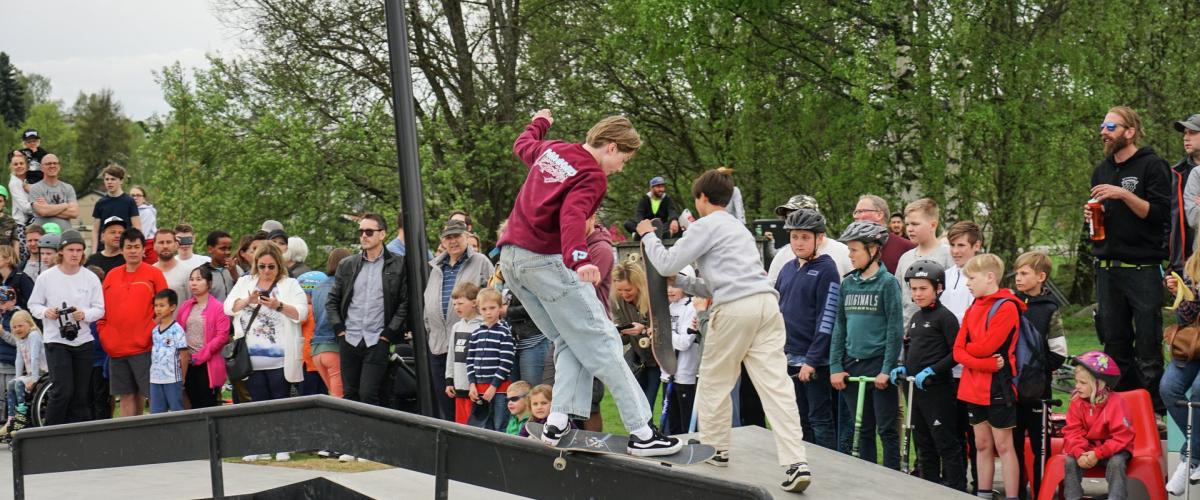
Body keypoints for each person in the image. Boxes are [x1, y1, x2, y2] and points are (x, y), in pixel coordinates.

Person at [497, 110, 679, 456]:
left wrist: (540, 121)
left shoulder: (553, 150)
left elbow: (523, 145)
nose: (621, 168)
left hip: (512, 260)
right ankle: (643, 431)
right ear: (611, 147)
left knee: (569, 338)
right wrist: (580, 258)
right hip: (545, 261)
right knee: (604, 338)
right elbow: (573, 215)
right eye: (623, 159)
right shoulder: (592, 174)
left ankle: (557, 421)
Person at [637, 168, 811, 491]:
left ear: (702, 198)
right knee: (776, 387)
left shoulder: (705, 225)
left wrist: (648, 234)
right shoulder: (739, 229)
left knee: (714, 383)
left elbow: (664, 263)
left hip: (733, 310)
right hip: (766, 307)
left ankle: (716, 450)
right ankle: (796, 462)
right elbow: (719, 283)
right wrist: (686, 283)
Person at [1085, 106, 1170, 415]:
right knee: (1115, 345)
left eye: (1110, 126)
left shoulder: (1152, 165)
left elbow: (1160, 215)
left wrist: (1123, 195)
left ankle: (1153, 414)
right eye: (1102, 125)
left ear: (1129, 132)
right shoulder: (1101, 170)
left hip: (1142, 269)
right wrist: (1093, 219)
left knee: (1148, 347)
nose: (1103, 132)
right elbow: (1102, 222)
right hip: (1107, 269)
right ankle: (1120, 413)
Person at [828, 220, 903, 469]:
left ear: (872, 250)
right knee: (863, 429)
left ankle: (892, 480)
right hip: (852, 364)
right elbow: (839, 326)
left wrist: (886, 368)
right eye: (848, 250)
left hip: (878, 365)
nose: (850, 256)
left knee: (887, 429)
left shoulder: (888, 283)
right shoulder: (848, 283)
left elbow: (895, 329)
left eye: (854, 250)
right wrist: (835, 366)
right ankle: (868, 480)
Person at [888, 260, 965, 491]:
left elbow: (956, 354)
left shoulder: (945, 317)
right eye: (913, 288)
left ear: (938, 288)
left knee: (945, 442)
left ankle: (956, 489)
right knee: (923, 444)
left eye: (923, 288)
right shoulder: (916, 319)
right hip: (916, 391)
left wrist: (933, 370)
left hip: (938, 390)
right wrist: (903, 366)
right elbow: (912, 350)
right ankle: (930, 488)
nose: (917, 293)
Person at [954, 254, 1023, 500]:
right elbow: (958, 350)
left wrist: (971, 352)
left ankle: (1012, 496)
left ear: (990, 277)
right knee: (981, 445)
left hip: (998, 388)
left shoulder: (1007, 306)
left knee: (1004, 446)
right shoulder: (973, 306)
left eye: (972, 278)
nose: (968, 283)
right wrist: (984, 362)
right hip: (973, 386)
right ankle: (983, 493)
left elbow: (983, 346)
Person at [326, 213, 408, 406]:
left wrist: (388, 334)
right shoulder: (347, 264)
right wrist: (339, 329)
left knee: (369, 394)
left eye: (369, 231)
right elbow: (332, 301)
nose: (364, 235)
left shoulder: (398, 263)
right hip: (350, 338)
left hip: (377, 339)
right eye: (361, 231)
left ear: (382, 234)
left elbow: (405, 303)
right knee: (350, 395)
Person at [775, 209, 840, 450]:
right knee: (798, 419)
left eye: (805, 237)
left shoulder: (826, 269)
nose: (799, 242)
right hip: (788, 355)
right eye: (794, 237)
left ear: (819, 239)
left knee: (819, 420)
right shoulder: (787, 268)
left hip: (813, 361)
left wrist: (812, 360)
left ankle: (829, 469)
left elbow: (828, 317)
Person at [28, 230, 104, 425]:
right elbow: (33, 305)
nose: (75, 254)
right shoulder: (47, 277)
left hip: (83, 340)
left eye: (79, 250)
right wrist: (47, 312)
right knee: (63, 390)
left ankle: (76, 435)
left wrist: (84, 315)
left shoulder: (90, 277)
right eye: (71, 249)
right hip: (56, 340)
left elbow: (100, 309)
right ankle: (49, 433)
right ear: (61, 251)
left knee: (81, 394)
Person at [423, 218, 493, 419]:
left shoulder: (480, 261)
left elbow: (494, 296)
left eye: (457, 236)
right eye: (448, 237)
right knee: (446, 401)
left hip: (470, 344)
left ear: (467, 237)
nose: (452, 241)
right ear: (442, 241)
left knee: (469, 402)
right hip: (439, 343)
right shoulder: (436, 266)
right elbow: (429, 301)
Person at [1012, 251, 1069, 495]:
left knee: (1040, 445)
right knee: (1013, 445)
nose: (1018, 278)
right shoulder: (1010, 303)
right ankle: (1017, 491)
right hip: (1011, 389)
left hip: (1038, 392)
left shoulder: (1049, 309)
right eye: (1017, 273)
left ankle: (1041, 490)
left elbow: (1059, 352)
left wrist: (1038, 370)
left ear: (1041, 276)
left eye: (1024, 273)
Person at [224, 243, 308, 409]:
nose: (266, 271)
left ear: (279, 265)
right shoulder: (245, 282)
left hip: (281, 362)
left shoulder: (290, 284)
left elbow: (302, 313)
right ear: (256, 265)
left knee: (280, 407)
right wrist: (248, 300)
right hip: (250, 362)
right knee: (258, 408)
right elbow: (228, 307)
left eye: (271, 266)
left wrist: (279, 306)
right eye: (262, 266)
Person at [100, 227, 168, 418]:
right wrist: (106, 335)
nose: (133, 251)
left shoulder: (153, 274)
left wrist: (151, 331)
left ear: (143, 249)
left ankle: (158, 436)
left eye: (137, 246)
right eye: (129, 247)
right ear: (121, 249)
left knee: (152, 393)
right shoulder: (111, 275)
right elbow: (101, 308)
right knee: (127, 395)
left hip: (145, 346)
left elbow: (165, 307)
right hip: (116, 348)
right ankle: (130, 440)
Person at [1063, 351, 1134, 500]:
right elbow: (1072, 432)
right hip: (1087, 450)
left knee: (1116, 463)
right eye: (1076, 381)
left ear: (1099, 384)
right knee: (1070, 461)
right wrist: (1079, 452)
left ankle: (1116, 497)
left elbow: (1122, 437)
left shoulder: (1117, 403)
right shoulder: (1076, 402)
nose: (1077, 386)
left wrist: (1098, 453)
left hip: (1114, 450)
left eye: (1083, 383)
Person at [1163, 251, 1200, 494]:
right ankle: (1195, 452)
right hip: (1194, 342)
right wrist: (1181, 294)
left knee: (1198, 389)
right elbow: (1185, 317)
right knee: (1168, 387)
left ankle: (1190, 458)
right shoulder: (1193, 264)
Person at [766, 194, 852, 286]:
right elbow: (771, 291)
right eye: (788, 216)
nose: (793, 220)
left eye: (799, 214)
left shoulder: (843, 252)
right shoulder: (782, 256)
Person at [177, 266, 230, 409]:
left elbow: (222, 336)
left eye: (199, 279)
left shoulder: (218, 307)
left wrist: (201, 355)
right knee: (192, 403)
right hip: (187, 362)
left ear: (209, 283)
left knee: (208, 403)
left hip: (207, 363)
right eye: (191, 279)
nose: (194, 283)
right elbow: (179, 332)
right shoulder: (186, 306)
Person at [610, 260, 660, 408]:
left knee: (649, 405)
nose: (624, 294)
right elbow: (624, 338)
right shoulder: (616, 300)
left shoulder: (653, 298)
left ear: (639, 285)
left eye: (628, 290)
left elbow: (663, 330)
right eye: (620, 290)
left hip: (658, 360)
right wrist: (619, 333)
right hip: (639, 359)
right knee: (638, 405)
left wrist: (644, 329)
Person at [896, 198, 954, 324]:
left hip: (937, 333)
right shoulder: (905, 258)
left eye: (915, 224)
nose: (909, 229)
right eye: (907, 224)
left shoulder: (949, 255)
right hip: (907, 332)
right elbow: (898, 298)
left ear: (933, 225)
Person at [467, 288, 515, 431]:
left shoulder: (504, 332)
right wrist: (472, 385)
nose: (488, 312)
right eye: (484, 309)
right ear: (479, 310)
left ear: (500, 308)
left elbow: (506, 362)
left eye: (492, 308)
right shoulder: (476, 333)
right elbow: (470, 361)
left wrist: (493, 386)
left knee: (500, 425)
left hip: (499, 389)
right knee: (483, 426)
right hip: (479, 389)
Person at [661, 265, 699, 435]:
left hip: (685, 375)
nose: (670, 290)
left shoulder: (692, 308)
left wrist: (663, 335)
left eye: (675, 285)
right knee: (672, 425)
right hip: (667, 373)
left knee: (687, 425)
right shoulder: (667, 307)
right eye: (667, 285)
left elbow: (684, 343)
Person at [309, 248, 349, 399]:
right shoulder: (343, 286)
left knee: (333, 396)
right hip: (334, 348)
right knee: (340, 401)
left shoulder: (318, 288)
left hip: (317, 350)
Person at [446, 282, 484, 424]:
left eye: (460, 303)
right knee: (461, 424)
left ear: (474, 303)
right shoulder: (456, 327)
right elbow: (451, 355)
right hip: (459, 386)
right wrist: (449, 380)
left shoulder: (482, 326)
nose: (456, 307)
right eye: (454, 304)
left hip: (476, 388)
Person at [2, 311, 43, 434]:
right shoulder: (20, 339)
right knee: (12, 384)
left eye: (20, 326)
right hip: (31, 373)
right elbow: (19, 359)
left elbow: (35, 357)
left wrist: (34, 379)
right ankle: (11, 419)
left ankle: (21, 417)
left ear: (29, 324)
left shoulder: (33, 335)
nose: (17, 329)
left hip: (41, 372)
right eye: (14, 327)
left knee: (19, 384)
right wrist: (17, 377)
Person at [852, 194, 915, 274]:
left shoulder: (908, 248)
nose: (856, 217)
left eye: (860, 211)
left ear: (879, 215)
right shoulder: (853, 248)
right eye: (855, 212)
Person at [149, 290, 188, 413]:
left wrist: (183, 377)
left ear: (172, 307)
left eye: (162, 305)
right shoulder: (154, 330)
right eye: (156, 306)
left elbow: (184, 355)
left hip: (172, 378)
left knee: (176, 410)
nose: (158, 309)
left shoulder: (177, 330)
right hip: (155, 379)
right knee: (157, 413)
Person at [1172, 115, 1200, 272]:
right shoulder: (1176, 174)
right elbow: (1169, 221)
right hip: (1186, 263)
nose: (1186, 138)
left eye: (1192, 132)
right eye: (1184, 133)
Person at [90, 164, 141, 248]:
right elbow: (95, 230)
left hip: (124, 248)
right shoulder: (100, 203)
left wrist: (136, 247)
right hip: (104, 249)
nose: (109, 182)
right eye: (107, 179)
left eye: (113, 179)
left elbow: (137, 227)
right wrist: (94, 251)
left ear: (121, 181)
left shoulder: (129, 201)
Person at [28, 154, 77, 232]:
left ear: (59, 166)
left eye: (55, 163)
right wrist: (65, 205)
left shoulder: (68, 188)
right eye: (48, 164)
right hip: (42, 237)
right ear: (41, 168)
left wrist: (47, 207)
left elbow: (74, 213)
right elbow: (43, 212)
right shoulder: (35, 188)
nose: (52, 166)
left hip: (65, 236)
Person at [154, 228, 191, 301]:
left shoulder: (188, 271)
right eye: (161, 242)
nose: (165, 246)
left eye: (168, 242)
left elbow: (192, 301)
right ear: (154, 246)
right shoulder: (150, 272)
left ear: (176, 245)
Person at [200, 230, 238, 302]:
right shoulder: (201, 273)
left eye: (229, 248)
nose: (228, 252)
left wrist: (234, 273)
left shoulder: (236, 268)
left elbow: (246, 293)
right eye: (223, 248)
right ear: (210, 249)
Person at [8, 151, 33, 255]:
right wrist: (43, 208)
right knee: (24, 256)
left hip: (32, 222)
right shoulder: (14, 183)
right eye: (15, 164)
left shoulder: (29, 180)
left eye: (21, 163)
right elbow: (25, 208)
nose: (19, 166)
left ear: (26, 165)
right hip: (21, 225)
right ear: (11, 167)